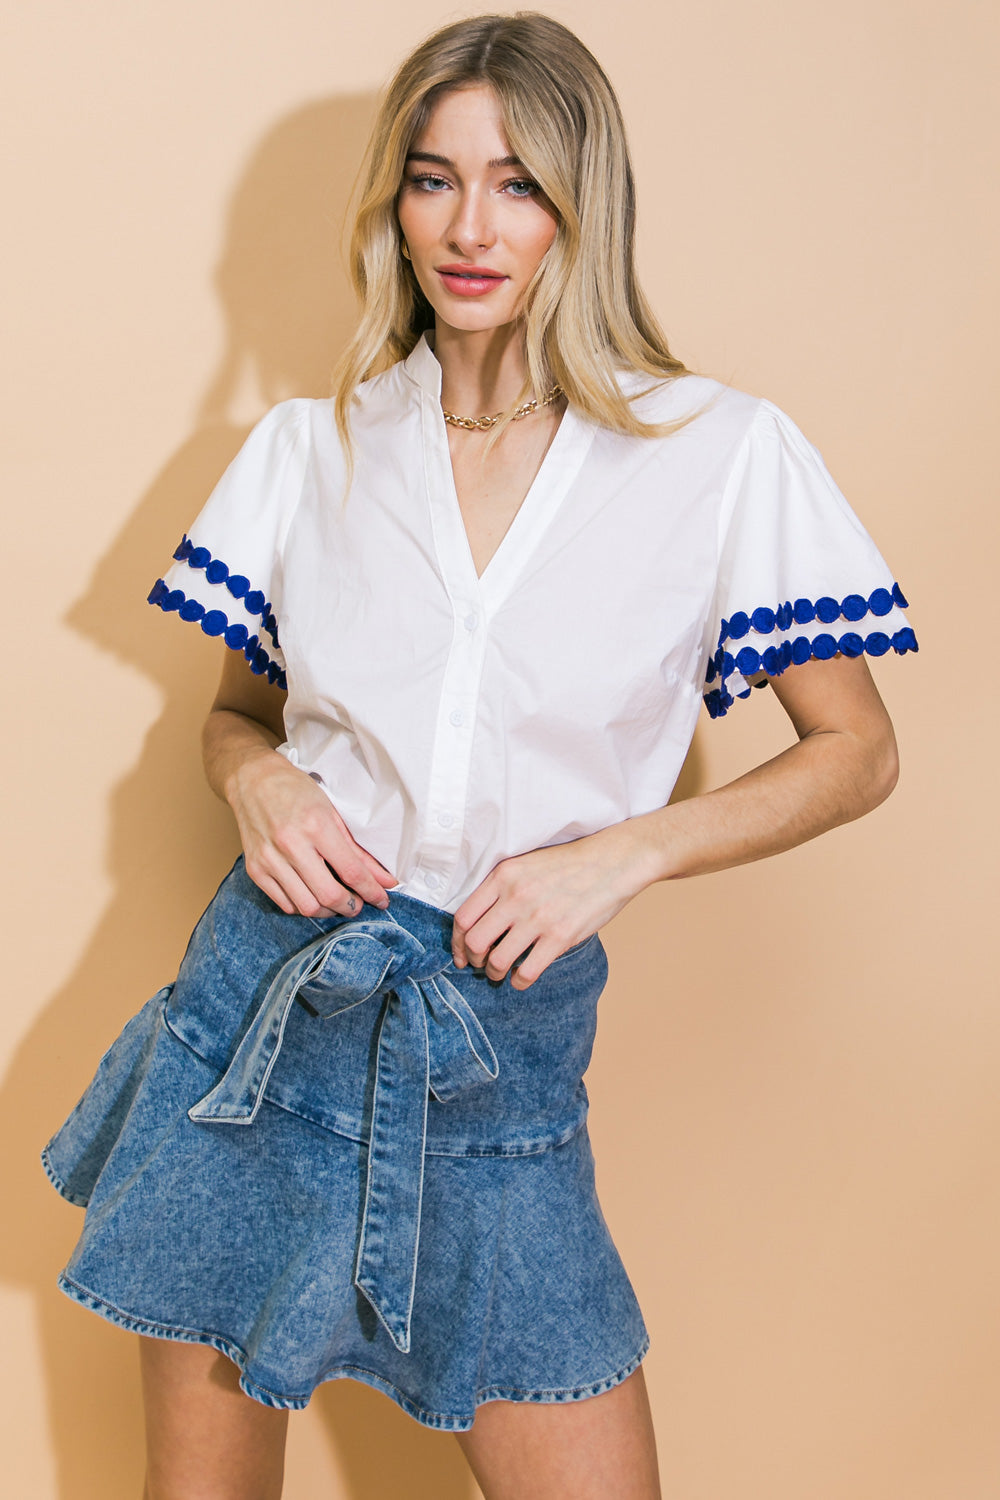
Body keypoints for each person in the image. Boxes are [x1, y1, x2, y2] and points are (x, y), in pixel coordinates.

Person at [41, 12, 917, 1499]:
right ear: (392, 201)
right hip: (258, 1035)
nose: (468, 228)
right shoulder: (313, 449)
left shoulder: (714, 456)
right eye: (433, 179)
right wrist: (256, 780)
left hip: (500, 1061)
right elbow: (236, 716)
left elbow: (858, 752)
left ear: (585, 204)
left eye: (518, 185)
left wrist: (622, 855)